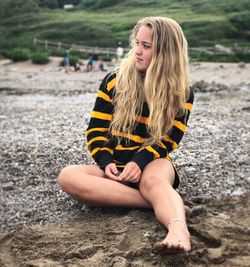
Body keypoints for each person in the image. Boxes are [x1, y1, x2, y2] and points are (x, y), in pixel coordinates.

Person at [57, 16, 194, 254]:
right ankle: (160, 202)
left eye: (146, 46)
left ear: (166, 52)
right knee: (68, 176)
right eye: (137, 44)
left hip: (153, 162)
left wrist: (140, 161)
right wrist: (106, 161)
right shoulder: (114, 81)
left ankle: (178, 231)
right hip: (116, 166)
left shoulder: (181, 92)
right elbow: (96, 130)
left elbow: (169, 140)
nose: (137, 52)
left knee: (153, 181)